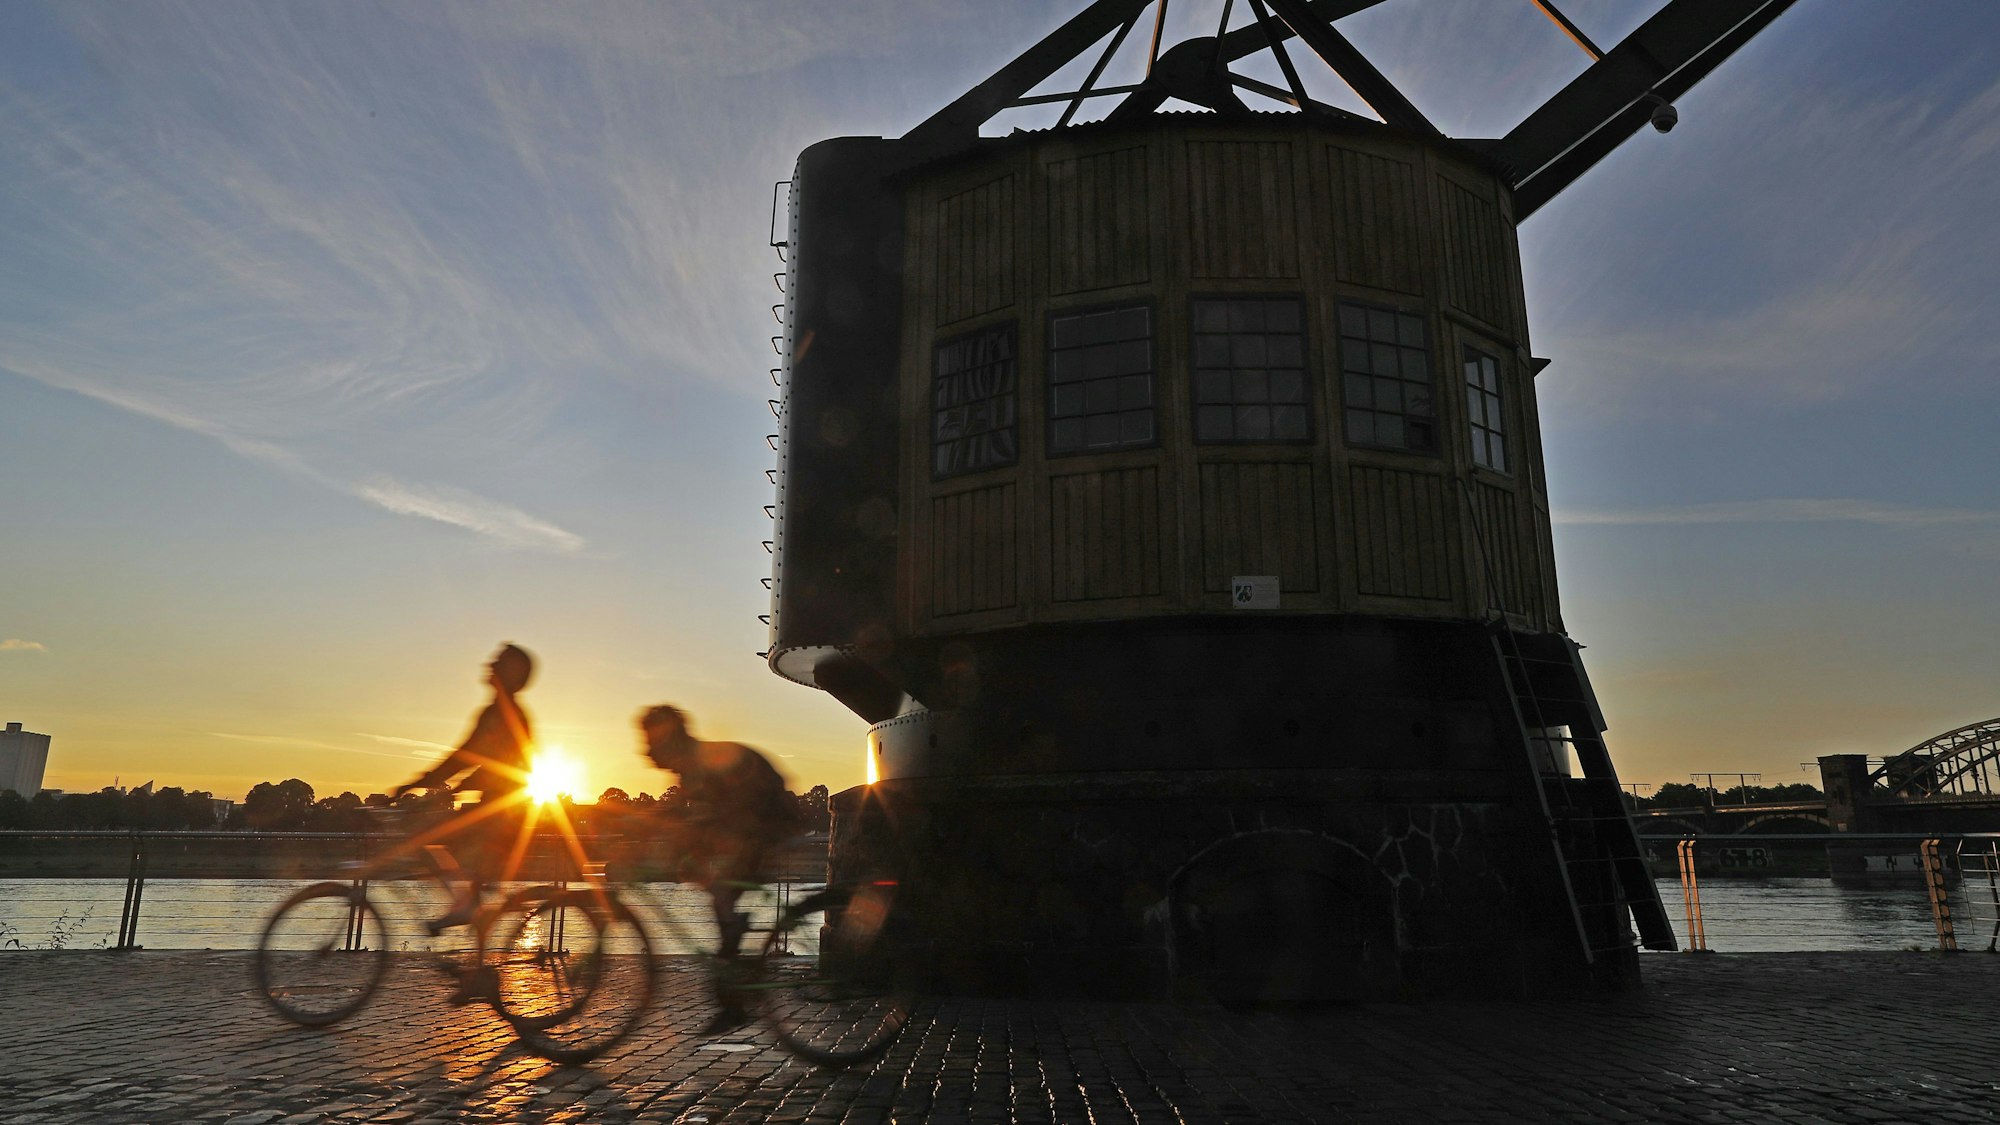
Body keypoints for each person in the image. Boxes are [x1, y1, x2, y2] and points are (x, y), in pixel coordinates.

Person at [637, 703, 806, 1034]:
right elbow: (680, 814)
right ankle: (736, 950)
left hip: (766, 817)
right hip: (753, 815)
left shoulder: (698, 764)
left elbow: (705, 818)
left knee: (724, 892)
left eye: (651, 741)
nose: (647, 751)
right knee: (717, 886)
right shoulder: (692, 763)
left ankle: (733, 1001)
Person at [394, 643, 536, 934]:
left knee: (425, 837)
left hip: (503, 812)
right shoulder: (497, 713)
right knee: (462, 865)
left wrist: (422, 785)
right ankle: (471, 919)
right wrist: (426, 784)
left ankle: (466, 907)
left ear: (511, 674)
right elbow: (466, 759)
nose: (490, 664)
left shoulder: (504, 715)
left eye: (498, 662)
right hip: (500, 808)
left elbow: (479, 763)